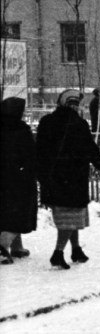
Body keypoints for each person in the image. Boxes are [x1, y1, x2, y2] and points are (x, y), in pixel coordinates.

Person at [35, 89, 100, 270]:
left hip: (54, 178)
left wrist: (42, 175)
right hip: (73, 179)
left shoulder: (46, 122)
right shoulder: (78, 124)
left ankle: (76, 249)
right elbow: (91, 150)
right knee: (70, 218)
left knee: (68, 216)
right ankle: (58, 253)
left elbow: (39, 151)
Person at [1, 97, 37, 264]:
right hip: (19, 179)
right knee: (19, 213)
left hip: (4, 179)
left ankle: (17, 247)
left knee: (6, 212)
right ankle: (3, 248)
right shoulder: (21, 130)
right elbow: (30, 154)